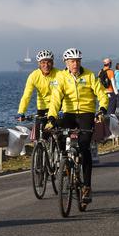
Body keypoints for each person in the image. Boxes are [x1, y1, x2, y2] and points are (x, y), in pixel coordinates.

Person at [48, 48, 108, 208]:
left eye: (77, 61)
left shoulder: (89, 75)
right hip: (69, 113)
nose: (75, 64)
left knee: (84, 146)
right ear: (66, 63)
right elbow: (55, 99)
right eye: (72, 61)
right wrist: (52, 116)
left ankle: (87, 187)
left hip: (86, 114)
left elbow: (101, 93)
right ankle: (65, 160)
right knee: (58, 131)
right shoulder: (61, 77)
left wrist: (102, 108)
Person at [16, 50, 62, 132]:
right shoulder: (33, 76)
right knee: (39, 134)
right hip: (42, 108)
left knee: (59, 134)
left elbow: (66, 93)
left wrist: (64, 109)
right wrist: (21, 112)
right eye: (43, 63)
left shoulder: (60, 74)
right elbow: (26, 95)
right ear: (39, 64)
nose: (46, 65)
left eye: (49, 62)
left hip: (58, 107)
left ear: (53, 63)